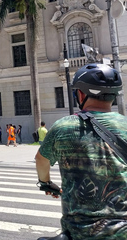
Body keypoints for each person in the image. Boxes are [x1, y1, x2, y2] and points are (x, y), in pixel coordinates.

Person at [35, 64, 127, 240]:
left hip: (79, 231)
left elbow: (41, 160)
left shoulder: (63, 126)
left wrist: (45, 182)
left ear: (81, 94)